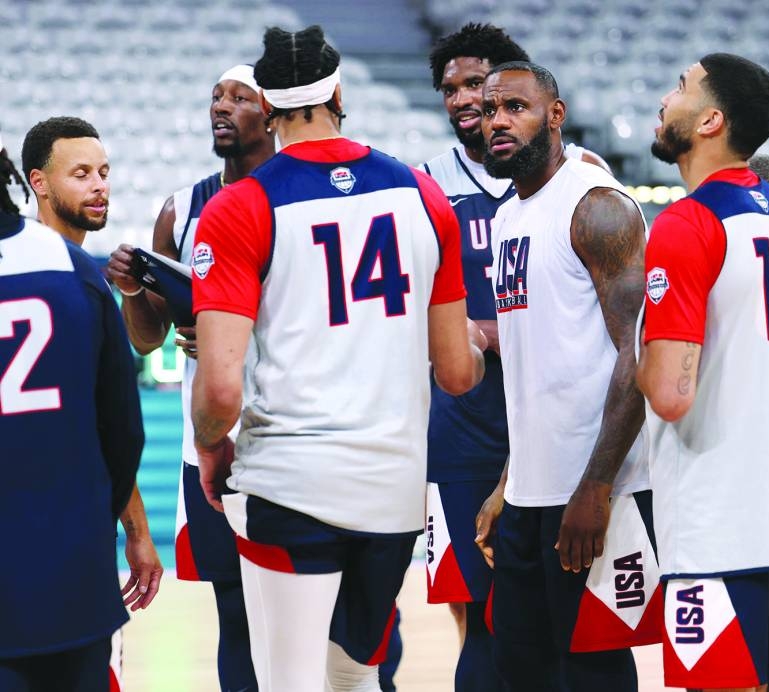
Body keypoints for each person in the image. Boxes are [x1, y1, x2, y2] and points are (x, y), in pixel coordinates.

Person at [190, 25, 485, 692]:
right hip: (393, 488)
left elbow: (219, 390)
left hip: (292, 479)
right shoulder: (422, 194)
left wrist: (212, 450)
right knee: (354, 676)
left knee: (289, 680)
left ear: (264, 106)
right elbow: (458, 373)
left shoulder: (240, 206)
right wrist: (484, 349)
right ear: (339, 93)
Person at [422, 22, 608, 692]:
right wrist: (460, 332)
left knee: (576, 632)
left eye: (483, 86)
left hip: (562, 428)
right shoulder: (425, 184)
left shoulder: (583, 180)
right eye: (454, 89)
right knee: (480, 611)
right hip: (468, 424)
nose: (470, 101)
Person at [635, 54, 769, 692]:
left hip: (718, 518)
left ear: (711, 120)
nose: (665, 100)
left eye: (680, 87)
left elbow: (668, 394)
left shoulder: (687, 223)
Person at [472, 60, 655, 692]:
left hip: (595, 492)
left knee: (591, 673)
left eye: (515, 107)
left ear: (556, 114)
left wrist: (597, 486)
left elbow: (640, 353)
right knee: (519, 670)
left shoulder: (596, 206)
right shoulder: (507, 217)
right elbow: (533, 371)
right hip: (531, 490)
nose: (497, 120)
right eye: (490, 109)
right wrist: (507, 483)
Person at [105, 65, 274, 692]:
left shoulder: (296, 197)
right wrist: (131, 290)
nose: (221, 107)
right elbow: (147, 337)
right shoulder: (182, 207)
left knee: (309, 612)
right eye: (216, 97)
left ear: (272, 112)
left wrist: (234, 328)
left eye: (239, 98)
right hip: (205, 442)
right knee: (233, 611)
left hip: (286, 433)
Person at [20, 115, 162, 691]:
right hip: (65, 532)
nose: (100, 185)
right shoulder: (70, 279)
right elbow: (110, 428)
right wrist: (138, 530)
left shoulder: (89, 275)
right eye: (81, 174)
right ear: (39, 183)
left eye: (104, 172)